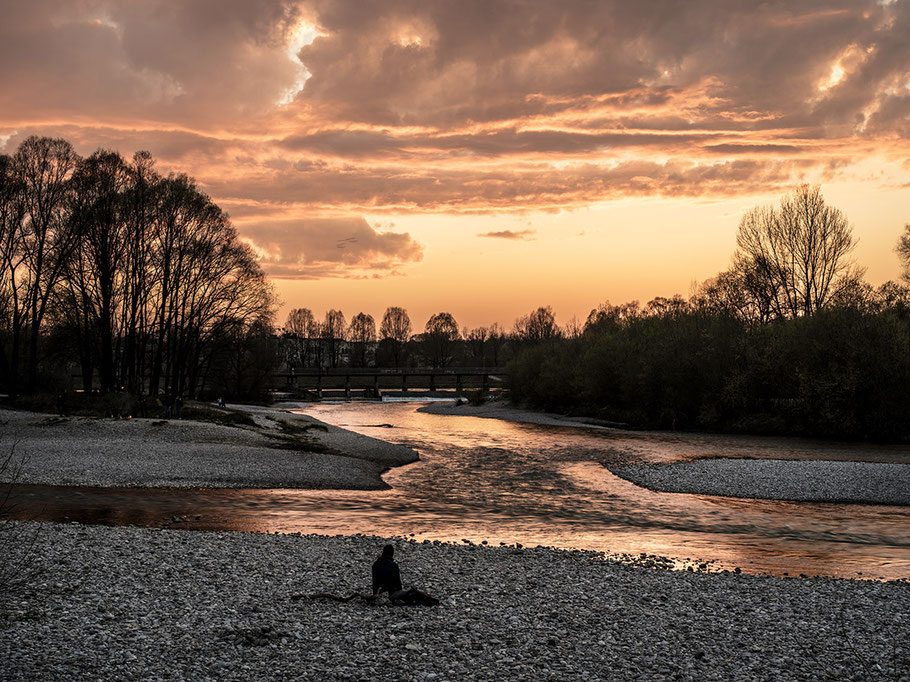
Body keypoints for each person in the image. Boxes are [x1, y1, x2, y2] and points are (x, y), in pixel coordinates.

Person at [371, 545, 439, 606]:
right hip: (391, 594)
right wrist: (399, 592)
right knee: (412, 593)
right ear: (392, 553)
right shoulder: (393, 565)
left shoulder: (375, 564)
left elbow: (375, 582)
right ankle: (431, 602)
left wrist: (375, 593)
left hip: (379, 593)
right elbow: (397, 582)